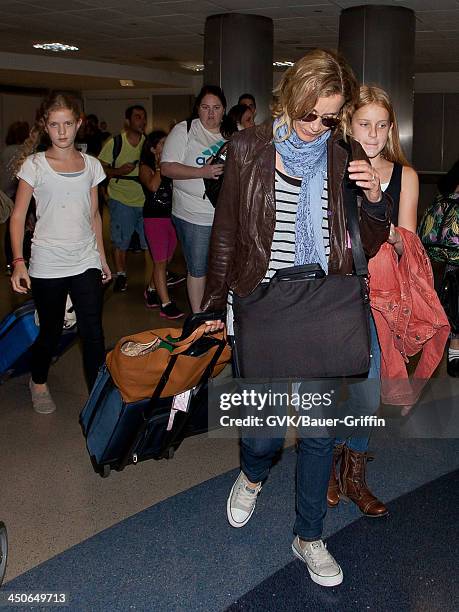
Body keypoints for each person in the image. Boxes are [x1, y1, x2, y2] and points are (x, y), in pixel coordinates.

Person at [201, 49, 391, 587]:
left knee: (317, 434)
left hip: (322, 308)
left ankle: (309, 535)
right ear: (289, 100)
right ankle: (253, 473)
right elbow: (227, 235)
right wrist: (214, 307)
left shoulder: (342, 155)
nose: (316, 128)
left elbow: (366, 246)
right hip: (261, 305)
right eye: (309, 114)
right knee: (262, 436)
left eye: (329, 118)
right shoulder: (246, 148)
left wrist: (373, 199)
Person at [326, 85, 419, 516]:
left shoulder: (405, 175)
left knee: (367, 394)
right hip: (336, 293)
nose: (374, 134)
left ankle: (353, 475)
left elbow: (409, 247)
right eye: (365, 124)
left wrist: (379, 208)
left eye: (382, 125)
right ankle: (329, 466)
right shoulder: (331, 167)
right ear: (349, 123)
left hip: (380, 297)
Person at [9, 93, 111, 414]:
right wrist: (18, 262)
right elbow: (17, 216)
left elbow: (94, 215)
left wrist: (103, 259)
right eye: (55, 125)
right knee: (51, 332)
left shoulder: (92, 165)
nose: (62, 131)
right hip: (48, 262)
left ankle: (97, 394)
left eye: (68, 124)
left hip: (85, 259)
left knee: (93, 331)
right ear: (46, 127)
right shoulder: (35, 165)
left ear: (79, 124)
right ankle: (38, 381)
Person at [161, 86, 231, 313]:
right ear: (197, 109)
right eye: (205, 107)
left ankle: (219, 314)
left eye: (216, 108)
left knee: (223, 268)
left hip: (224, 213)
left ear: (224, 110)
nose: (211, 114)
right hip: (193, 213)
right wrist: (203, 172)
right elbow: (167, 168)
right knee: (198, 268)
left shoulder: (232, 132)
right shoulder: (185, 130)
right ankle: (199, 318)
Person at [99, 105, 147, 292]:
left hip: (144, 198)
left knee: (149, 242)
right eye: (137, 117)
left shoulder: (148, 143)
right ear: (128, 121)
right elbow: (101, 168)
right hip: (120, 199)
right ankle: (121, 274)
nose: (142, 121)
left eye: (144, 117)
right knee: (121, 241)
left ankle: (155, 280)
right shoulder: (115, 143)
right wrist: (119, 171)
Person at [139, 130, 184, 319]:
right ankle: (165, 303)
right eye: (163, 143)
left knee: (167, 258)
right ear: (152, 148)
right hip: (154, 218)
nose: (168, 146)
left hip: (171, 216)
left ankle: (151, 289)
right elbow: (153, 186)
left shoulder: (171, 165)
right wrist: (160, 166)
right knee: (159, 261)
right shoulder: (145, 167)